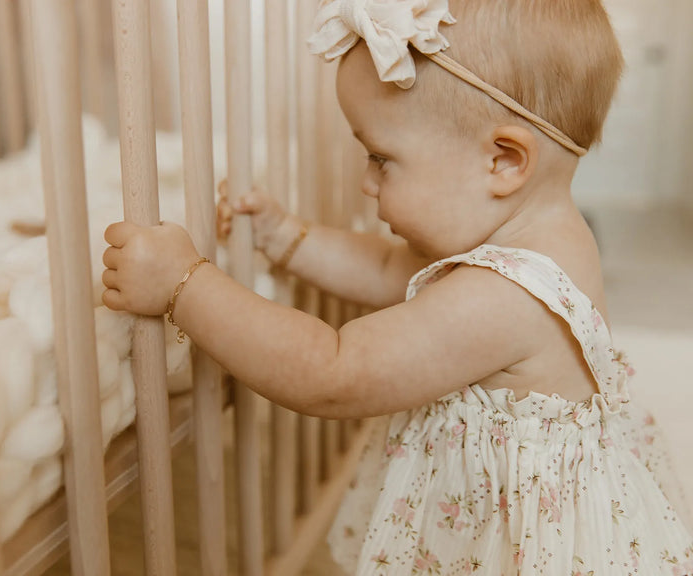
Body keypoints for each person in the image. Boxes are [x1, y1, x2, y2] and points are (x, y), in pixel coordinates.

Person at [102, 0, 693, 573]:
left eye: (381, 158)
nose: (367, 182)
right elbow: (392, 271)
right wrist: (288, 238)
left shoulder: (505, 298)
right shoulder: (539, 236)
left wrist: (186, 284)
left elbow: (332, 373)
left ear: (505, 161)